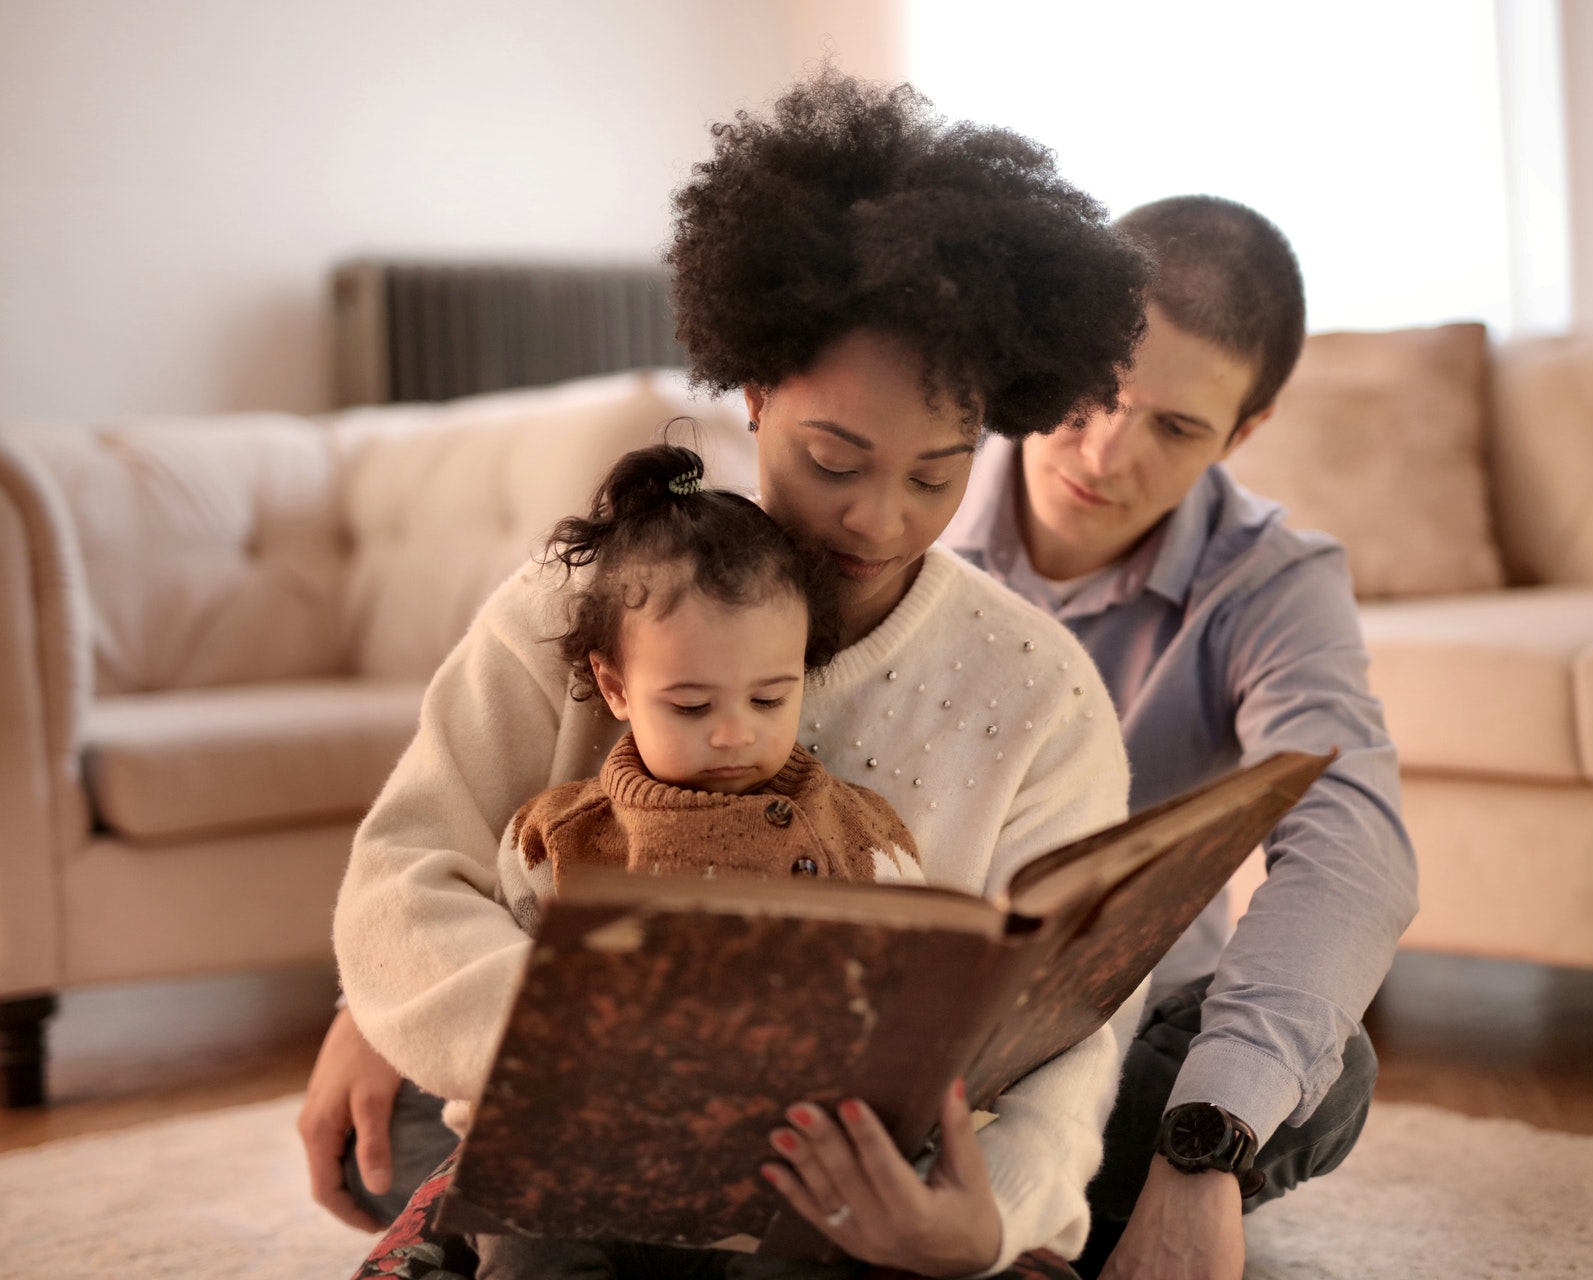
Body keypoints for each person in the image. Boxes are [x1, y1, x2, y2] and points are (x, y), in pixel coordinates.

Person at [309, 70, 1154, 1279]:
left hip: (867, 1183)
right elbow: (402, 877)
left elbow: (1074, 1017)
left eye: (936, 474)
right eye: (834, 456)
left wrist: (998, 1214)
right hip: (573, 1128)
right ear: (754, 392)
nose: (878, 519)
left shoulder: (1039, 687)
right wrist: (572, 1056)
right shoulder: (575, 608)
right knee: (385, 1128)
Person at [942, 195, 1420, 1280]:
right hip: (888, 1031)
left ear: (1242, 435)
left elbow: (1357, 846)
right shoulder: (906, 488)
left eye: (1176, 428)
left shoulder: (1269, 578)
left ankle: (1044, 1205)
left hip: (1113, 1046)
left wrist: (1201, 1146)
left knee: (1324, 1066)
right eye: (1098, 390)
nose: (1105, 455)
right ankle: (1011, 1219)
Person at [477, 442, 925, 1279]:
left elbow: (916, 980)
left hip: (772, 1164)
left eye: (769, 698)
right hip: (600, 1153)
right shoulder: (560, 837)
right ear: (613, 688)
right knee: (518, 1215)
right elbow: (506, 989)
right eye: (690, 705)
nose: (733, 732)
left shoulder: (858, 832)